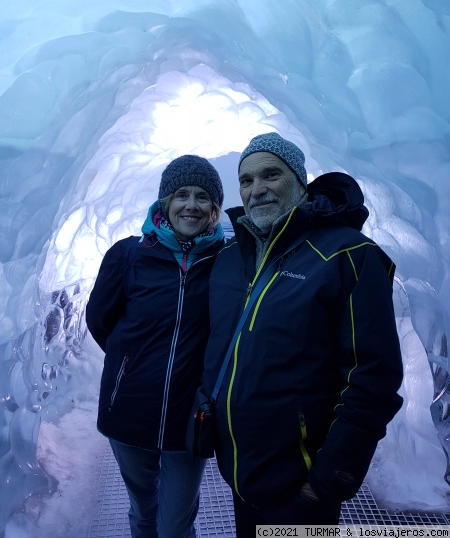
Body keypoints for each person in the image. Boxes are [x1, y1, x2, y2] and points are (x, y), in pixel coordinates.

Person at [201, 132, 403, 533]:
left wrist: (325, 482)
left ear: (299, 181)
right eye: (246, 180)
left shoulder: (347, 255)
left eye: (270, 174)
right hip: (241, 476)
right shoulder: (227, 258)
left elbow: (372, 379)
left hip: (302, 489)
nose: (256, 189)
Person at [86, 155, 224, 538]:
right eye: (182, 194)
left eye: (202, 197)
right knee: (143, 512)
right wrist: (127, 364)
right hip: (129, 409)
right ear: (165, 202)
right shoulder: (129, 255)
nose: (191, 205)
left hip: (190, 418)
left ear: (214, 209)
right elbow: (100, 320)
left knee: (176, 524)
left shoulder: (224, 262)